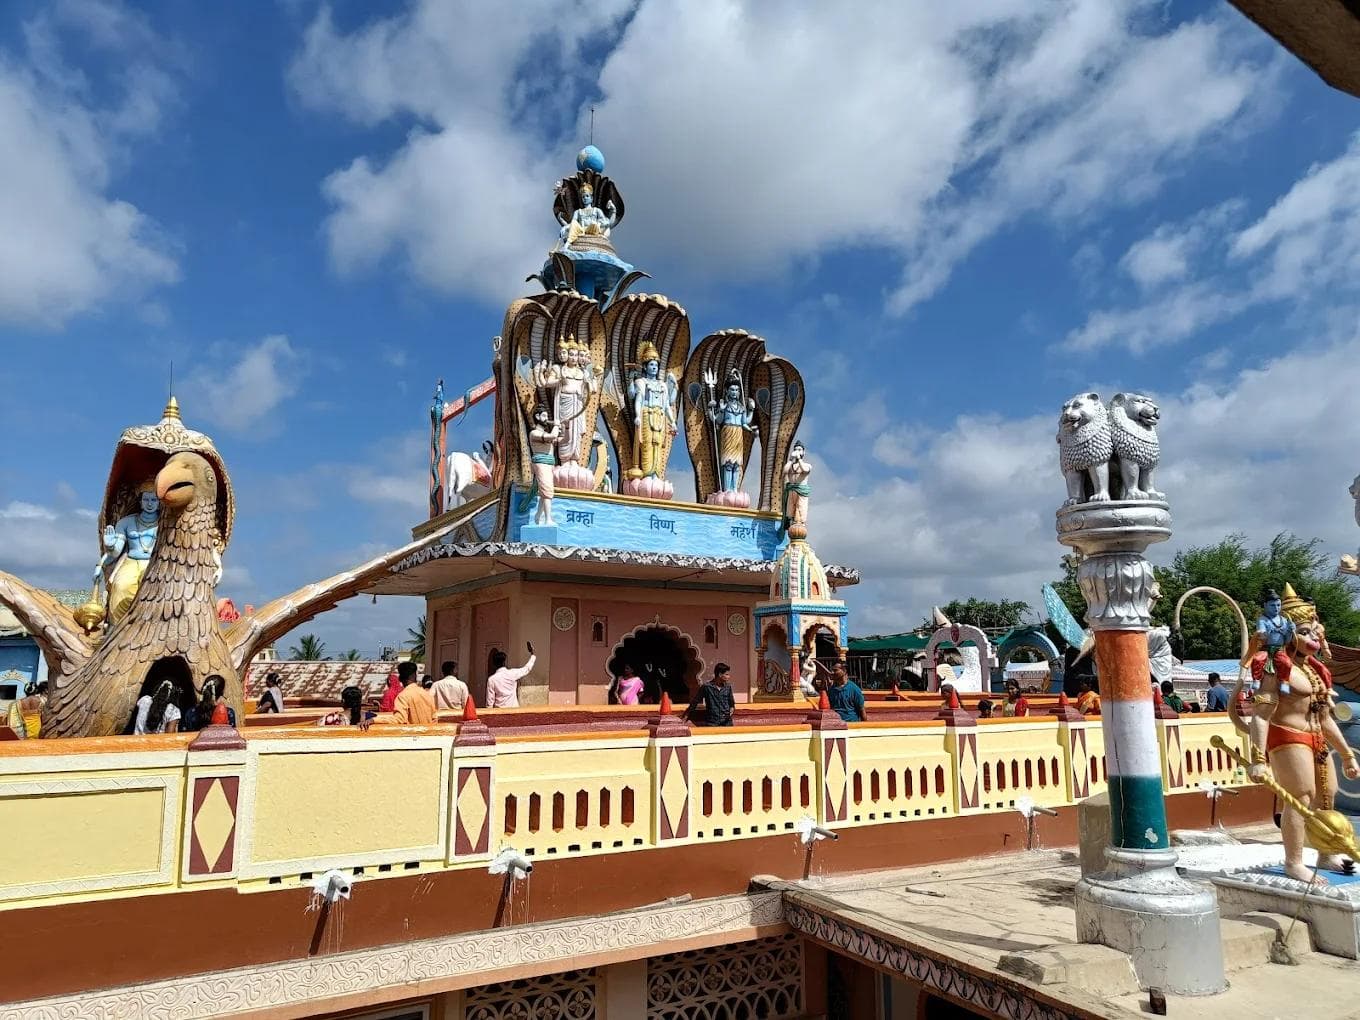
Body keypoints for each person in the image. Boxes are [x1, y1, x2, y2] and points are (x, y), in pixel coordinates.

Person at [486, 643, 536, 709]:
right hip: (513, 711)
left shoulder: (491, 680)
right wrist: (533, 654)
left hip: (499, 712)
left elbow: (489, 703)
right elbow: (526, 669)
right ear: (504, 662)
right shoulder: (512, 674)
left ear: (494, 664)